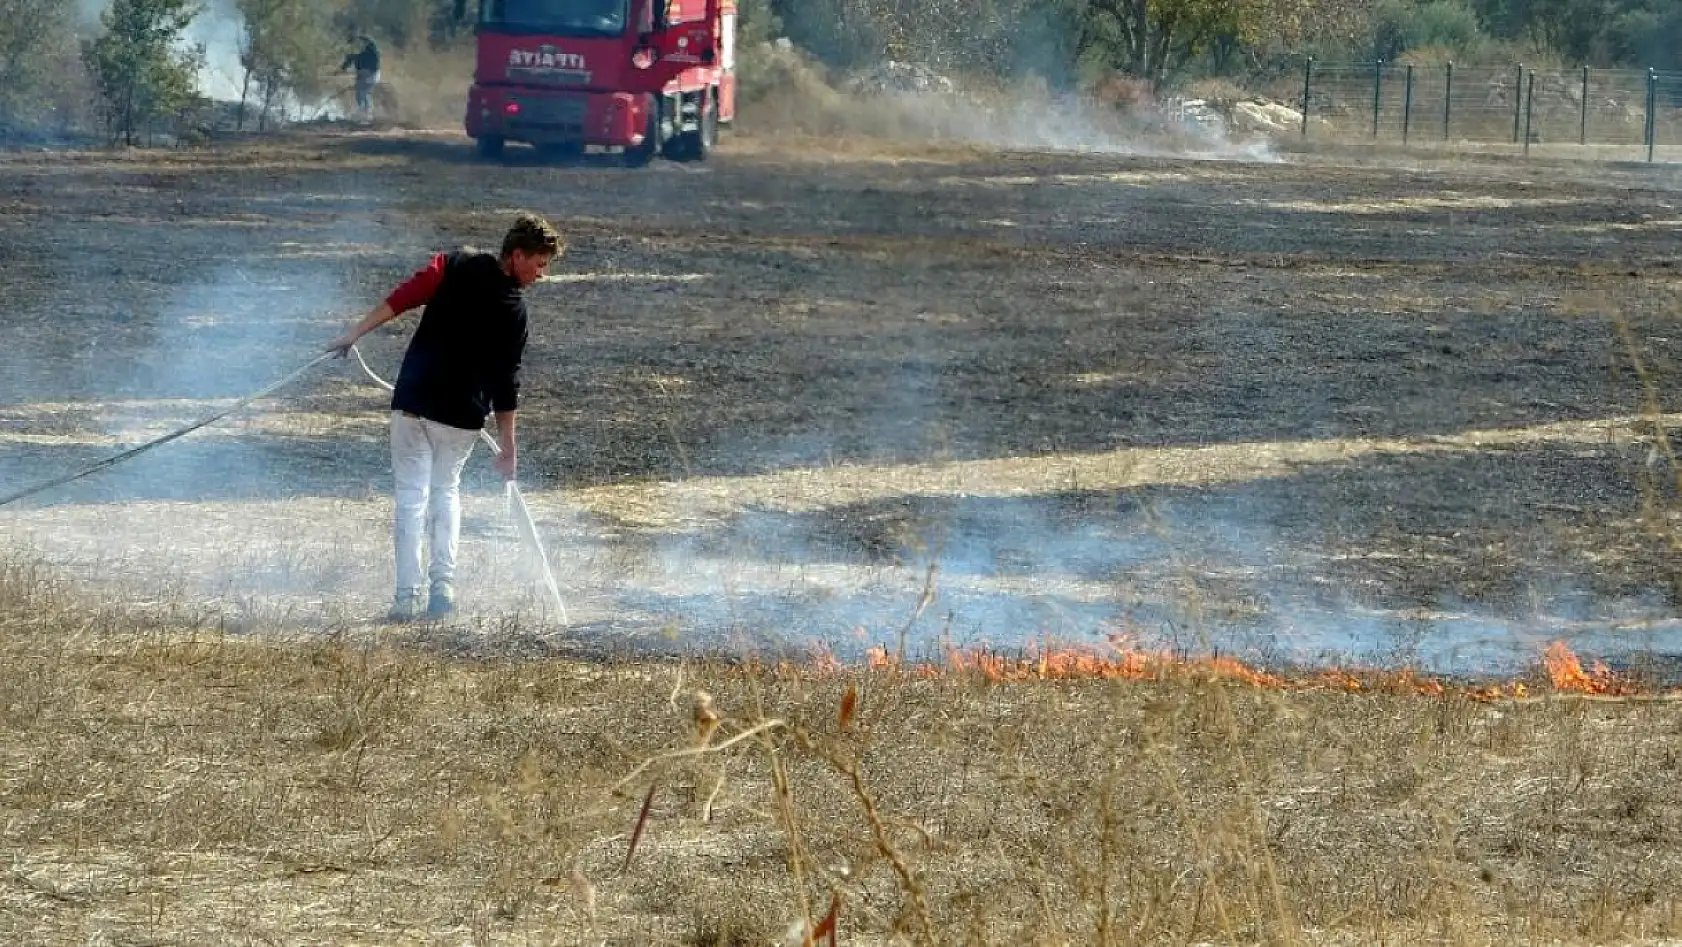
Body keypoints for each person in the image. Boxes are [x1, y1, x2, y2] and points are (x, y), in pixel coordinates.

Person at [328, 214, 563, 621]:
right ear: (517, 254)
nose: (541, 275)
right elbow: (507, 384)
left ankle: (405, 597)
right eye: (539, 264)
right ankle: (443, 587)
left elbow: (405, 296)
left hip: (414, 401)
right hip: (460, 415)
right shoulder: (515, 311)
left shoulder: (456, 262)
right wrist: (508, 447)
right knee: (445, 493)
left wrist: (355, 333)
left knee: (410, 498)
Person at [340, 36, 381, 120]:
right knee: (364, 93)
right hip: (372, 75)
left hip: (370, 75)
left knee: (361, 93)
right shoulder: (366, 53)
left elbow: (368, 42)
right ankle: (366, 114)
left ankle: (364, 114)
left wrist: (357, 37)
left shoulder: (370, 51)